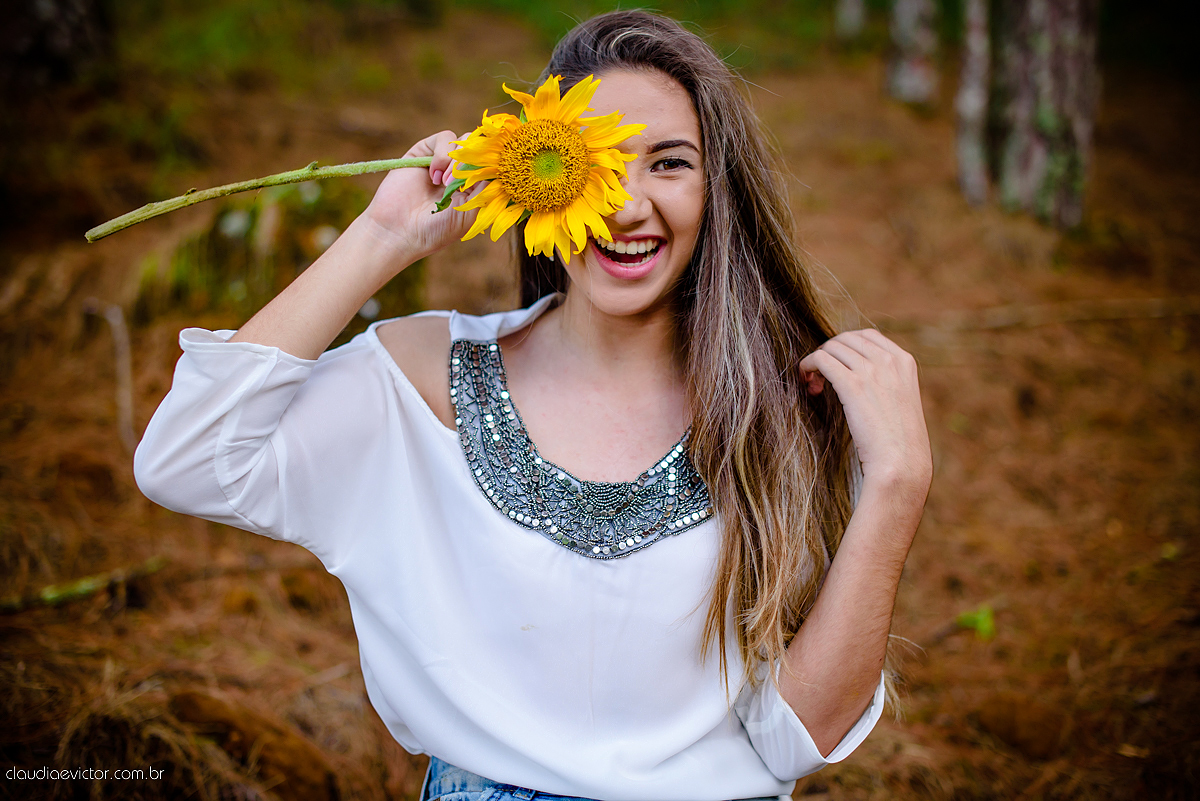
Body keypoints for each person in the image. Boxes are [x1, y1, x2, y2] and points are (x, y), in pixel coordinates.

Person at [134, 10, 932, 801]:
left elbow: (802, 734)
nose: (627, 207)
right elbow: (187, 460)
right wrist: (382, 236)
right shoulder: (420, 384)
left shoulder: (773, 412)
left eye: (669, 164)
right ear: (537, 175)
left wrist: (895, 483)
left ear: (715, 188)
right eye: (599, 163)